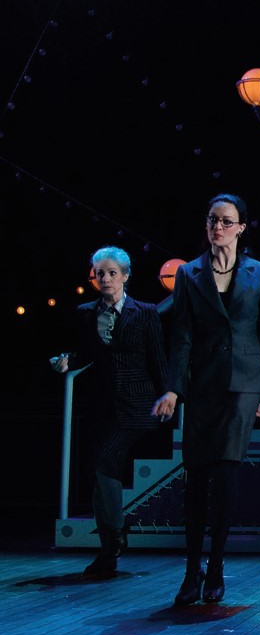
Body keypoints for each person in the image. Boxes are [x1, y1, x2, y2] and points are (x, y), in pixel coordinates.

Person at [152, 193, 260, 606]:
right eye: (213, 220)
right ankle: (192, 569)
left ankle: (216, 566)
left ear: (241, 227)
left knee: (226, 471)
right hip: (203, 383)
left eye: (227, 221)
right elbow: (182, 337)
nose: (218, 227)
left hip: (245, 381)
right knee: (196, 476)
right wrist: (174, 388)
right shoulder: (188, 273)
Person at [51, 246, 168, 577]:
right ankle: (109, 549)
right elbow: (88, 353)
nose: (105, 279)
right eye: (99, 273)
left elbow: (158, 357)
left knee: (104, 461)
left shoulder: (144, 312)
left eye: (112, 273)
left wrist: (168, 395)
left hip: (138, 406)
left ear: (125, 276)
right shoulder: (86, 312)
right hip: (104, 405)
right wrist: (67, 362)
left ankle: (113, 538)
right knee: (104, 467)